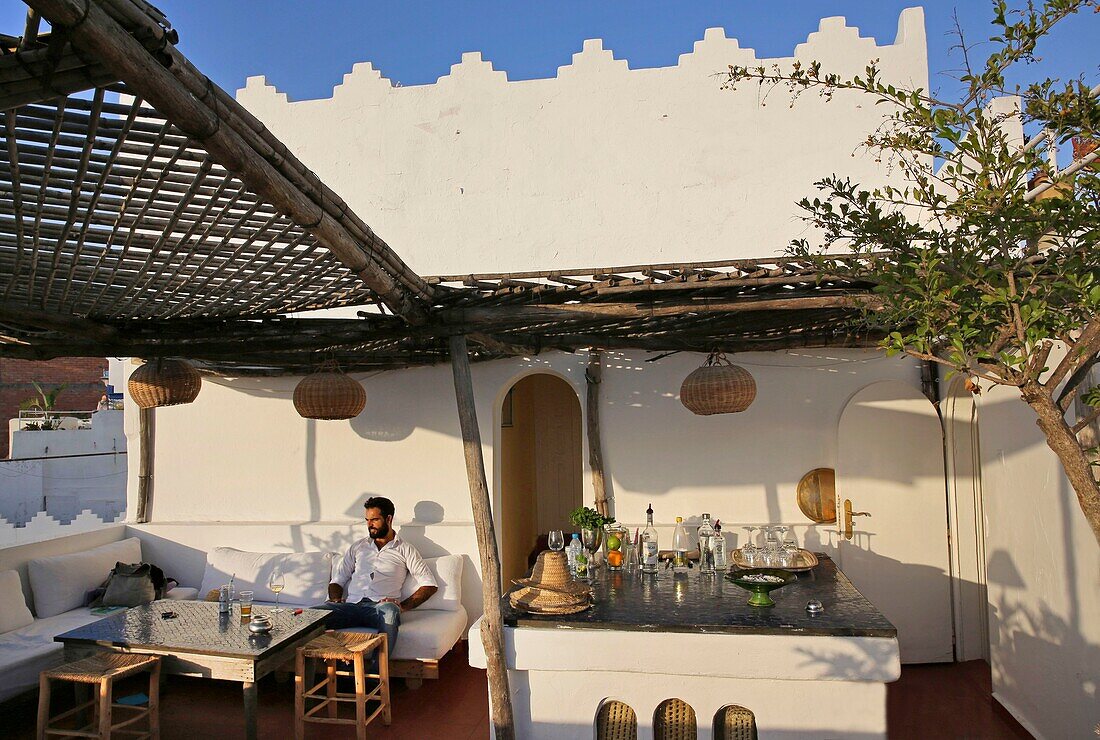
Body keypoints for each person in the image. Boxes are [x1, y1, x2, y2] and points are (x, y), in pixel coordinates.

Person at [317, 496, 438, 654]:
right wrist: (335, 599)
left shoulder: (405, 549)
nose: (369, 525)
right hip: (350, 607)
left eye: (374, 519)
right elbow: (337, 580)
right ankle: (308, 675)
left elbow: (429, 584)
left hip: (380, 608)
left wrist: (403, 606)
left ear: (389, 519)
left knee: (390, 612)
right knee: (313, 615)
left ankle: (376, 676)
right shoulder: (358, 547)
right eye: (367, 520)